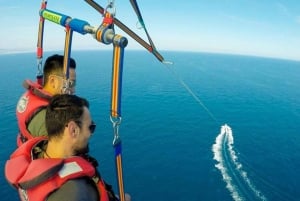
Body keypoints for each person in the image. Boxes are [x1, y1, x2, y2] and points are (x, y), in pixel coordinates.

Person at [5, 94, 131, 201]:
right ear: (73, 130)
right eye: (90, 127)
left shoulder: (37, 151)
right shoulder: (76, 191)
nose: (91, 134)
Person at [16, 54, 76, 146]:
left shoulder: (29, 97)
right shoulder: (47, 118)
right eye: (71, 84)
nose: (73, 90)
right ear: (52, 81)